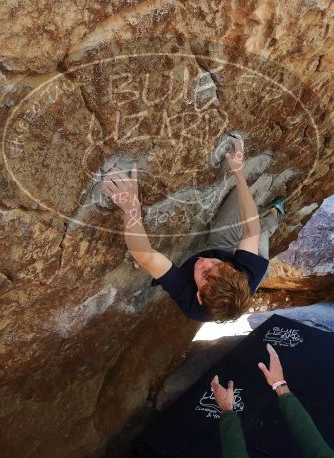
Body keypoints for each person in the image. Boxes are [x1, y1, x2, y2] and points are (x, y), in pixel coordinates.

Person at [101, 136, 283, 322]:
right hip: (232, 253)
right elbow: (251, 230)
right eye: (216, 265)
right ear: (233, 270)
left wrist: (131, 210)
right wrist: (238, 172)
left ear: (199, 297)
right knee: (254, 220)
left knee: (259, 231)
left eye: (204, 274)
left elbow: (146, 256)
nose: (204, 262)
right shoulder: (247, 273)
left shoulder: (191, 303)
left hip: (224, 252)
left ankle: (274, 216)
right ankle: (273, 217)